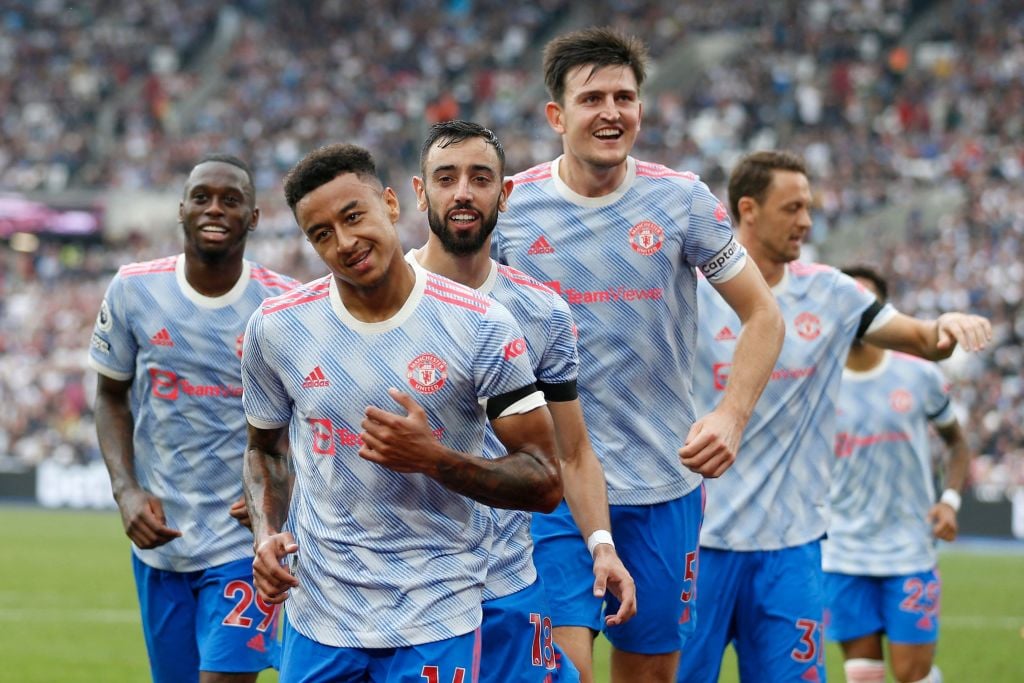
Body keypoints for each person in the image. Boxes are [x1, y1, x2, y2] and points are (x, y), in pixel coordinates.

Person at [492, 27, 785, 683]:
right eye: (592, 97)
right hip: (552, 482)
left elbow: (763, 314)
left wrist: (731, 415)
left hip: (663, 483)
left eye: (624, 96)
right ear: (556, 115)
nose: (612, 111)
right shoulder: (509, 206)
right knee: (562, 669)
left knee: (650, 673)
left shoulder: (681, 200)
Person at [242, 143, 565, 683]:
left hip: (436, 612)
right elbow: (264, 450)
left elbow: (544, 480)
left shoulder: (480, 324)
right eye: (322, 234)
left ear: (391, 204)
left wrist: (434, 459)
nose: (345, 243)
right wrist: (265, 534)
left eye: (353, 217)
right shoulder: (277, 328)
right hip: (320, 614)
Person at [680, 150, 991, 682]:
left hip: (792, 549)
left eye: (809, 207)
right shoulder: (690, 291)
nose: (806, 220)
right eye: (792, 207)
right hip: (698, 542)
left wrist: (948, 326)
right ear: (748, 210)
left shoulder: (831, 292)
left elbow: (921, 337)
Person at [409, 119, 637, 682]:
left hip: (512, 570)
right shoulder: (377, 301)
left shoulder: (541, 312)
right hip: (408, 581)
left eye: (480, 178)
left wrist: (602, 545)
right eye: (447, 177)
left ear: (504, 194)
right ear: (420, 193)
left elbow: (574, 452)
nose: (463, 192)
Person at [89, 154, 300, 683]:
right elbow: (111, 395)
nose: (214, 208)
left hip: (246, 542)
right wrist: (126, 490)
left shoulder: (283, 305)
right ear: (181, 209)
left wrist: (280, 492)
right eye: (202, 197)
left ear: (253, 217)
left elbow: (313, 416)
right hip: (163, 541)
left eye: (231, 200)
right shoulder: (134, 290)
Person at [822, 266, 973, 683]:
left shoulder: (919, 373)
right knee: (862, 675)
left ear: (882, 312)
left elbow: (958, 444)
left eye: (865, 303)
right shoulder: (817, 379)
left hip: (908, 548)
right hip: (842, 553)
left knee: (912, 675)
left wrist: (949, 501)